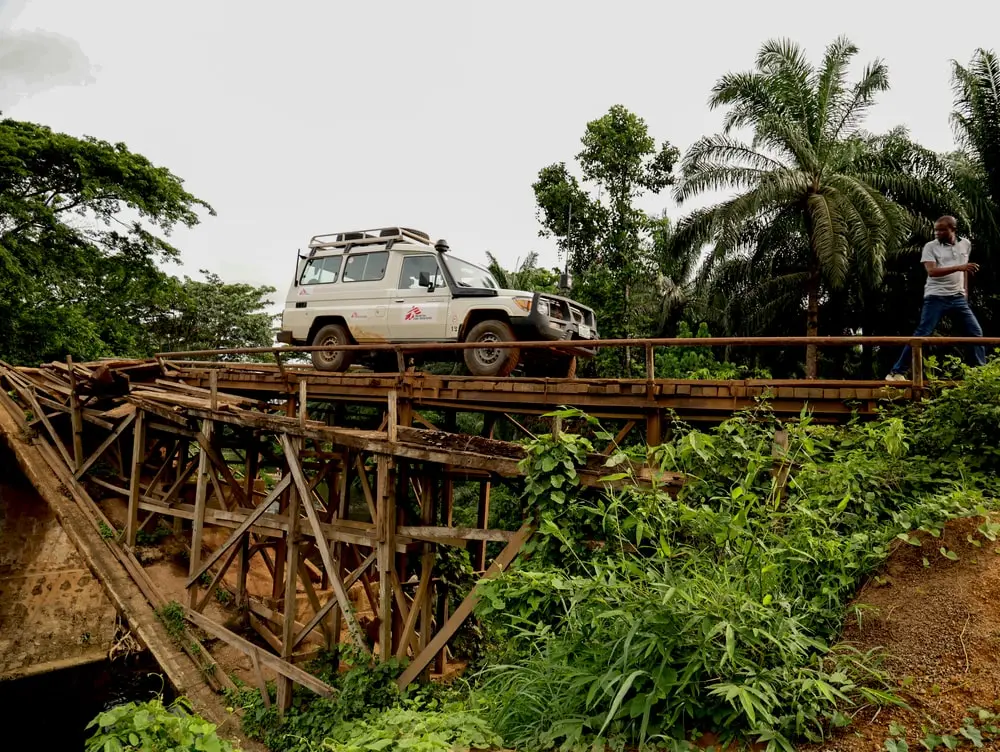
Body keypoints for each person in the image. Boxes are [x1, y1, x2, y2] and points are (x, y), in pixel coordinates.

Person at [886, 215, 986, 381]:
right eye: (936, 230)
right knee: (923, 332)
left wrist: (965, 293)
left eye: (941, 230)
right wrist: (959, 267)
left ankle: (981, 375)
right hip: (936, 297)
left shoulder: (965, 244)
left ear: (953, 229)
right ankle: (896, 373)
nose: (937, 233)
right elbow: (932, 271)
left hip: (958, 298)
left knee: (975, 332)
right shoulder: (930, 247)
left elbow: (965, 272)